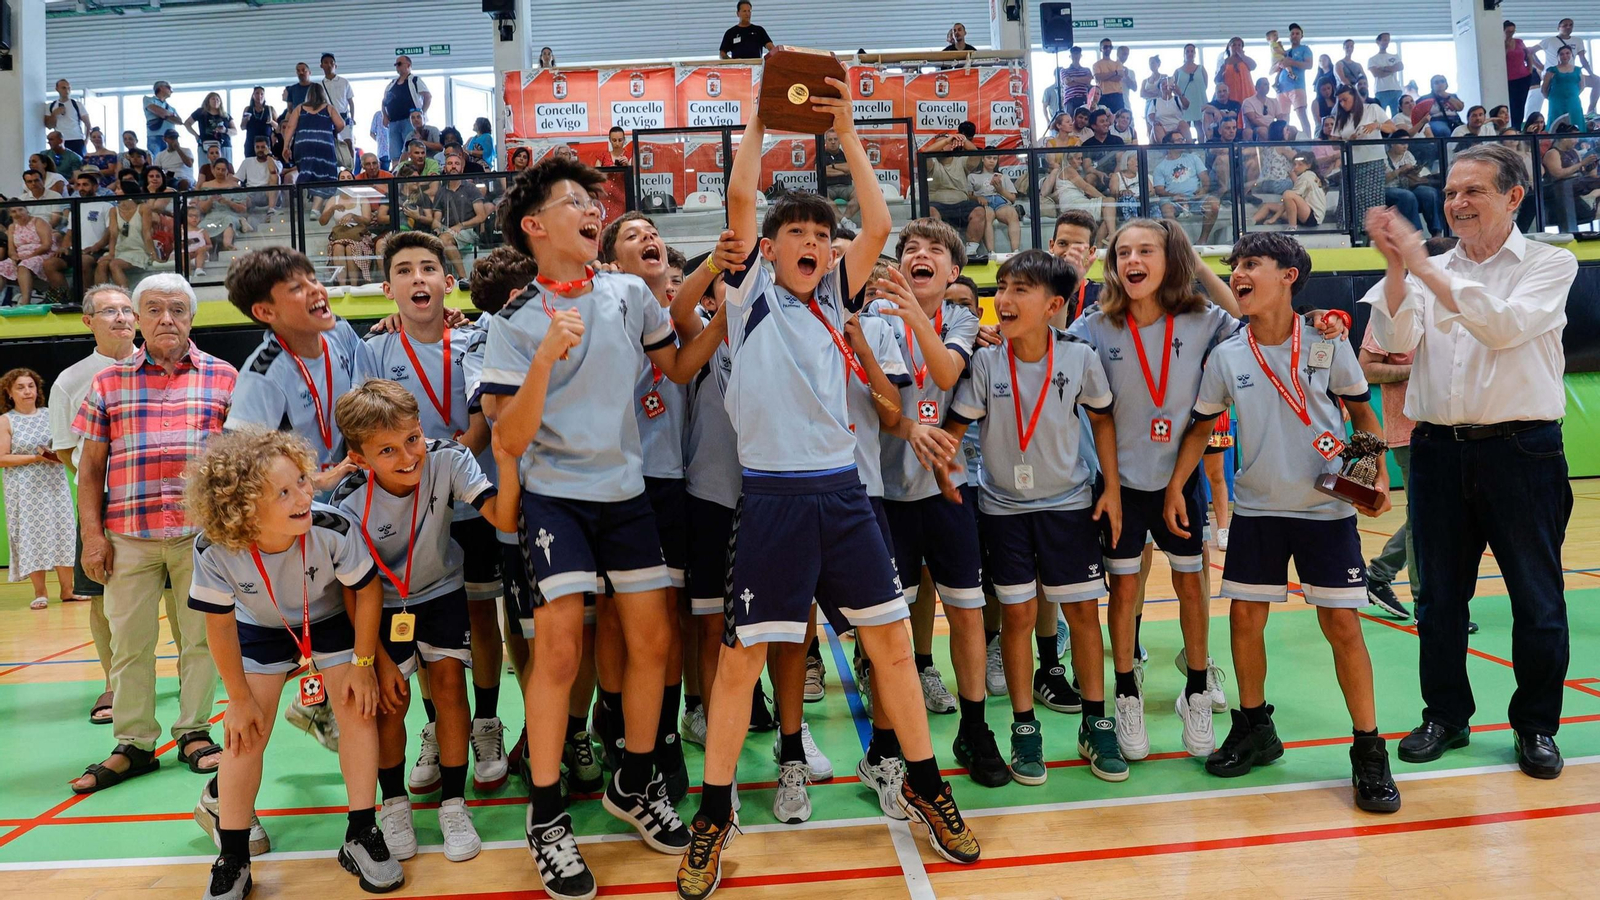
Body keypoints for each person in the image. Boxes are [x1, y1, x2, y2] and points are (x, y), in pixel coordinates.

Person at [668, 86, 979, 899]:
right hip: (770, 501)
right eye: (796, 235)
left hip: (843, 498)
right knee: (741, 668)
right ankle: (714, 812)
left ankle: (924, 782)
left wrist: (843, 130)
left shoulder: (838, 296)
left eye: (820, 236)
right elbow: (743, 197)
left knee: (892, 652)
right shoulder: (746, 298)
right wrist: (761, 126)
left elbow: (875, 223)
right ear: (765, 250)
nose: (813, 242)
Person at [481, 153, 720, 898]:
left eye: (595, 200)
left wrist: (729, 310)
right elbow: (507, 439)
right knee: (558, 651)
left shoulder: (625, 293)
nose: (593, 209)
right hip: (556, 497)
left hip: (626, 492)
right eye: (574, 201)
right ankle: (547, 816)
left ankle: (636, 781)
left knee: (653, 641)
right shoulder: (514, 322)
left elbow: (676, 369)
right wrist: (547, 358)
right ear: (535, 225)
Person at [1362, 143, 1577, 781]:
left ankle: (1536, 726)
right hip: (1436, 452)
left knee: (1537, 599)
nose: (1456, 204)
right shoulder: (1434, 268)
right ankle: (1446, 715)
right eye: (1451, 192)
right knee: (1439, 601)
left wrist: (1423, 268)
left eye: (1473, 191)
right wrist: (1399, 269)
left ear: (1514, 196)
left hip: (1523, 450)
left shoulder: (1549, 264)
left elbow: (1503, 327)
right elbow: (1396, 343)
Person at [1166, 231, 1401, 813]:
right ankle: (1255, 727)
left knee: (1343, 629)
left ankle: (1369, 751)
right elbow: (1201, 426)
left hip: (1327, 509)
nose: (1239, 274)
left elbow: (1360, 407)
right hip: (1257, 508)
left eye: (1252, 265)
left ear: (1289, 276)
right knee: (1245, 619)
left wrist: (1373, 465)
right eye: (1236, 265)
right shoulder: (1227, 355)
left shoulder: (1327, 337)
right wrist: (1176, 485)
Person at [185, 428, 403, 899]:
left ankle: (361, 832)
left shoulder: (331, 528)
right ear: (243, 507)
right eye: (284, 492)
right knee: (245, 732)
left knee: (357, 709)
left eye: (303, 480)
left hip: (327, 622)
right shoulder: (214, 547)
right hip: (260, 629)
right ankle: (234, 856)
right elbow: (219, 627)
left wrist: (364, 663)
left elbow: (367, 592)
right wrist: (239, 699)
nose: (304, 495)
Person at [933, 249, 1121, 788]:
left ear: (1053, 305)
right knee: (1015, 618)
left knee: (1083, 616)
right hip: (1003, 510)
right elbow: (955, 429)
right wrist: (942, 464)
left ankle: (1096, 722)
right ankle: (1023, 727)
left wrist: (1111, 491)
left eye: (1020, 290)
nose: (1004, 299)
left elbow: (1103, 423)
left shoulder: (1081, 357)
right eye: (1002, 288)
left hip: (1068, 505)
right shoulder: (986, 361)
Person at [1065, 219, 1240, 772]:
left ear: (1172, 259)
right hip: (1119, 485)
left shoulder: (1204, 320)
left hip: (1179, 481)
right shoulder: (1097, 325)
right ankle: (1126, 693)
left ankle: (1194, 686)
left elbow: (1244, 318)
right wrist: (1112, 487)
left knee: (1192, 585)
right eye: (1123, 253)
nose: (1132, 260)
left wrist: (1198, 264)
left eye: (1147, 250)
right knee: (1123, 591)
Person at [328, 378, 521, 865]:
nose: (408, 456)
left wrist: (508, 456)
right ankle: (394, 805)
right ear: (359, 456)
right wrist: (370, 659)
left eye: (412, 438)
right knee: (391, 704)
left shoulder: (447, 458)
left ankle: (453, 804)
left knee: (452, 686)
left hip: (440, 590)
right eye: (387, 449)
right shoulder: (349, 500)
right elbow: (354, 589)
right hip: (379, 604)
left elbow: (501, 516)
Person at [69, 273, 238, 794]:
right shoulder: (107, 383)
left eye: (178, 310)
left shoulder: (225, 377)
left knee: (202, 641)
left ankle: (194, 732)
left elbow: (241, 462)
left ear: (192, 317)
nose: (167, 319)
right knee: (129, 645)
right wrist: (92, 538)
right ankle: (134, 743)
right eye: (155, 310)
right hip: (128, 535)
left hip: (201, 537)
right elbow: (90, 469)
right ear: (138, 321)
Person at [366, 231, 511, 793]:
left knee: (481, 616)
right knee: (425, 627)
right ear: (389, 288)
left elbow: (486, 421)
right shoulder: (373, 350)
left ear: (448, 284)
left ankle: (487, 721)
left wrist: (446, 467)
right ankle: (434, 726)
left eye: (429, 268)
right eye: (405, 271)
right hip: (411, 515)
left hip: (475, 501)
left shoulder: (476, 338)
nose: (418, 278)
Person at [871, 220, 995, 778]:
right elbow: (886, 406)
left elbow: (944, 369)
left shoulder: (966, 318)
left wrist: (914, 312)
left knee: (968, 614)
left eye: (935, 251)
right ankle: (884, 744)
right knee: (889, 628)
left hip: (950, 490)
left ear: (952, 273)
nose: (920, 255)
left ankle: (974, 729)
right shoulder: (874, 320)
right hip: (887, 495)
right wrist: (897, 310)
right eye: (910, 250)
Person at [49, 284, 138, 722]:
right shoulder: (71, 380)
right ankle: (111, 684)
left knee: (186, 599)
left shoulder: (164, 365)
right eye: (109, 312)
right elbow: (68, 452)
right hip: (105, 499)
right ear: (88, 322)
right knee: (104, 597)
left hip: (168, 498)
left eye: (127, 310)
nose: (122, 318)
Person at [0, 368, 79, 610]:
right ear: (10, 393)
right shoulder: (6, 420)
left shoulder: (50, 414)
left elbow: (67, 444)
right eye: (21, 387)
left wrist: (57, 455)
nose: (27, 391)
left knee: (63, 532)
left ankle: (68, 590)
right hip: (24, 489)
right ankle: (40, 592)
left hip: (54, 484)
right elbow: (2, 458)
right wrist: (36, 458)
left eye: (31, 386)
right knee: (31, 535)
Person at [1333, 86, 1393, 234]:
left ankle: (1373, 235)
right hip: (1351, 163)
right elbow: (1334, 143)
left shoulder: (1372, 109)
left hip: (1373, 160)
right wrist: (1348, 139)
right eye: (1339, 101)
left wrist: (1376, 125)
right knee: (1349, 200)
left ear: (1354, 96)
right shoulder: (1340, 117)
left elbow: (1392, 128)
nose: (1342, 104)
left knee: (1371, 201)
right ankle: (1351, 234)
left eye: (1345, 99)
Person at [0, 206, 67, 304]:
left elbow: (46, 245)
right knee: (1, 267)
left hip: (41, 253)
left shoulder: (38, 222)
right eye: (14, 211)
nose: (18, 213)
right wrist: (14, 257)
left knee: (24, 265)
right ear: (10, 214)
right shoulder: (12, 227)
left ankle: (25, 302)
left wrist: (29, 256)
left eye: (20, 210)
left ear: (27, 210)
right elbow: (11, 250)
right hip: (21, 255)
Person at [1535, 18, 1599, 120]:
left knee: (1597, 81)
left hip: (1572, 74)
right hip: (1555, 76)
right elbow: (1530, 51)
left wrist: (1591, 74)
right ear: (1558, 27)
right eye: (1565, 25)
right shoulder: (1549, 40)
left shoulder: (1578, 40)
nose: (1568, 27)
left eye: (1570, 25)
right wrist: (1540, 67)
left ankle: (1590, 111)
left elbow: (1582, 58)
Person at [283, 83, 345, 187]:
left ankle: (304, 196)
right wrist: (332, 133)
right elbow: (341, 124)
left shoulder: (299, 108)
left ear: (308, 94)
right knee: (326, 174)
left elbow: (290, 127)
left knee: (305, 172)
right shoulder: (329, 108)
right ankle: (323, 197)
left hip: (304, 145)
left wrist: (286, 146)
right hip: (324, 144)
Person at [1384, 141, 1444, 237]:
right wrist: (1399, 170)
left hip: (1408, 185)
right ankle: (1416, 234)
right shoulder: (1383, 157)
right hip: (1388, 188)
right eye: (1401, 143)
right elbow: (1383, 179)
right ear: (1392, 144)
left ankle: (1437, 232)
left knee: (1430, 193)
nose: (1405, 146)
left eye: (1407, 144)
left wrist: (1413, 171)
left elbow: (1414, 176)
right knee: (1407, 196)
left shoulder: (1408, 154)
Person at [382, 56, 432, 168]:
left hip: (409, 121)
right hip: (394, 122)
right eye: (396, 65)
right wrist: (384, 116)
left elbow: (427, 96)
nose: (397, 67)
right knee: (394, 153)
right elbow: (384, 101)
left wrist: (421, 113)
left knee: (411, 149)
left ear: (408, 65)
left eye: (399, 64)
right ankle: (396, 174)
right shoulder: (392, 84)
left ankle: (412, 173)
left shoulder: (415, 80)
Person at [1277, 25, 1315, 137]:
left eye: (1297, 33)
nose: (1294, 36)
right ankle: (1284, 142)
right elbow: (1276, 68)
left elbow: (1309, 65)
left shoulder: (1305, 49)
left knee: (1301, 114)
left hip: (1297, 86)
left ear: (1301, 36)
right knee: (1283, 118)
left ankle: (1309, 141)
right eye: (1292, 34)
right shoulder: (1285, 52)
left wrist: (1291, 62)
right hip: (1282, 88)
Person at [320, 53, 357, 164]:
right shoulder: (320, 85)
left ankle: (350, 169)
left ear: (336, 65)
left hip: (343, 116)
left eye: (332, 63)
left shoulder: (344, 81)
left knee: (348, 143)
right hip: (328, 118)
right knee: (331, 145)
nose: (329, 65)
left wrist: (352, 117)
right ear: (321, 66)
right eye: (326, 63)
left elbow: (351, 101)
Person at [1541, 45, 1586, 131]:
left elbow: (1582, 86)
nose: (1565, 56)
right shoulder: (1551, 70)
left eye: (1567, 53)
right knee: (1555, 121)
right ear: (1558, 56)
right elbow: (1544, 89)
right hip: (1556, 102)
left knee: (1575, 120)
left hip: (1573, 101)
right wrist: (1552, 98)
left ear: (1571, 55)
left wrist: (1572, 95)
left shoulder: (1578, 70)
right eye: (1562, 54)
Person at [1504, 22, 1539, 129]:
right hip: (1509, 78)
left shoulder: (1519, 41)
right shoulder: (1500, 43)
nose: (1511, 33)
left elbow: (1528, 55)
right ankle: (1511, 128)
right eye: (1508, 31)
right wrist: (1506, 46)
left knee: (1521, 103)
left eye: (1513, 31)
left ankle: (1518, 128)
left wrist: (1529, 69)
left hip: (1523, 76)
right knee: (1512, 104)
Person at [185, 93, 234, 164]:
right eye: (213, 99)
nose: (215, 101)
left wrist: (225, 130)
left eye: (217, 99)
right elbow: (187, 123)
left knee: (224, 168)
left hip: (223, 145)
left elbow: (235, 131)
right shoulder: (200, 112)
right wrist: (196, 135)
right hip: (205, 145)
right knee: (205, 169)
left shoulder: (225, 115)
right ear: (208, 101)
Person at [1217, 37, 1257, 114]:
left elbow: (1253, 66)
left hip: (1246, 90)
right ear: (1229, 47)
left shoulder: (1245, 59)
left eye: (1239, 45)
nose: (1237, 47)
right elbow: (1217, 80)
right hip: (1232, 92)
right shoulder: (1224, 62)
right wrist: (1222, 69)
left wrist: (1242, 55)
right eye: (1234, 45)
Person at [1369, 34, 1406, 115]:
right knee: (1381, 115)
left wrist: (1383, 68)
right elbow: (1376, 74)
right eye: (1384, 40)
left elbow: (1400, 67)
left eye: (1388, 40)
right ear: (1378, 41)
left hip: (1395, 89)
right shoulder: (1372, 59)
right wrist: (1392, 69)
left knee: (1397, 115)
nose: (1387, 42)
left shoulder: (1394, 56)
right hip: (1381, 90)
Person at [143, 81, 182, 150]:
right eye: (169, 88)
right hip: (155, 136)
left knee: (171, 159)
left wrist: (164, 114)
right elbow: (156, 109)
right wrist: (171, 115)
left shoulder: (171, 108)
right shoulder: (148, 99)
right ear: (161, 88)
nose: (171, 91)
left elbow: (179, 121)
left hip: (171, 137)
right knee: (156, 159)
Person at [1094, 39, 1128, 113]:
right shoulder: (1096, 64)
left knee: (1118, 119)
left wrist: (1104, 76)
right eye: (1105, 47)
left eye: (1110, 47)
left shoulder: (1118, 63)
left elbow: (1118, 78)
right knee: (1103, 119)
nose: (1108, 49)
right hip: (1103, 95)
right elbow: (1098, 77)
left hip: (1117, 95)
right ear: (1100, 49)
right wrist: (1115, 72)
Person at [1061, 46, 1093, 115]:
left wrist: (1073, 79)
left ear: (1080, 56)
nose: (1076, 56)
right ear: (1070, 56)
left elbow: (1088, 80)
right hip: (1070, 100)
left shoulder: (1086, 70)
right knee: (1070, 121)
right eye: (1074, 54)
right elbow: (1068, 83)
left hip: (1083, 98)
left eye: (1077, 54)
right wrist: (1082, 80)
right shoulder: (1064, 70)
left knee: (1085, 120)